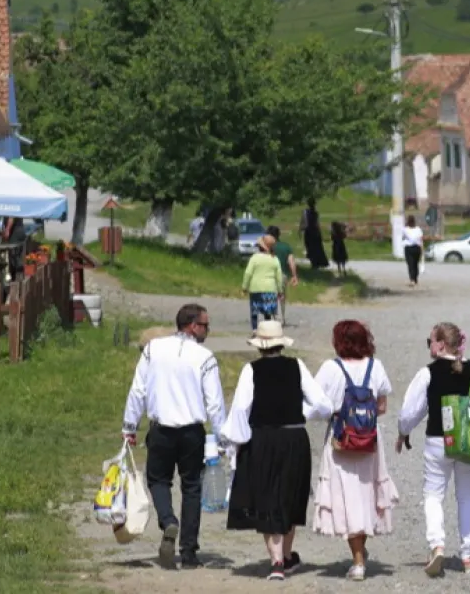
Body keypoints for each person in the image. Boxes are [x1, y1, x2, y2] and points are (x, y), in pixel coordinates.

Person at [222, 321, 333, 581]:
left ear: (259, 346)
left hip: (262, 438)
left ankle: (277, 561)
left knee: (267, 495)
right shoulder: (297, 366)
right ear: (281, 343)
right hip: (294, 437)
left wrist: (235, 443)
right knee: (290, 495)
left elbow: (240, 409)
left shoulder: (251, 370)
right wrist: (299, 414)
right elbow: (322, 404)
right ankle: (285, 554)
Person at [122, 304, 227, 571]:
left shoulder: (153, 350)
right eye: (205, 325)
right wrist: (223, 438)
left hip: (161, 428)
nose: (207, 330)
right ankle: (189, 552)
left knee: (158, 480)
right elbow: (214, 403)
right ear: (192, 325)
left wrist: (130, 425)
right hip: (192, 431)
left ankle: (168, 520)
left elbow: (138, 390)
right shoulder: (205, 357)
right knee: (192, 487)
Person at [396, 322, 470, 576]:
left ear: (441, 345)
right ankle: (467, 556)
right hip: (468, 443)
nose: (428, 346)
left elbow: (411, 411)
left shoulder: (428, 373)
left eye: (430, 342)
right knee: (467, 497)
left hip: (438, 441)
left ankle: (437, 544)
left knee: (433, 494)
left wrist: (403, 432)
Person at [312, 321, 400, 581]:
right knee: (365, 494)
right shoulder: (376, 366)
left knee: (347, 497)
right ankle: (361, 550)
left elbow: (318, 404)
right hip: (370, 440)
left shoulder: (331, 368)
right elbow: (382, 406)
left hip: (342, 439)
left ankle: (358, 560)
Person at [242, 235, 283, 335]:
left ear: (260, 247)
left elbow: (248, 273)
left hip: (256, 288)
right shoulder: (274, 259)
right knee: (268, 312)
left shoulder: (254, 258)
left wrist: (244, 287)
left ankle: (255, 329)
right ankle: (268, 329)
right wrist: (280, 290)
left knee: (254, 311)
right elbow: (279, 277)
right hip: (270, 289)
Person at [265, 226, 299, 324]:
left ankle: (271, 317)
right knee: (281, 296)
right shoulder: (286, 247)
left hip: (269, 275)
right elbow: (291, 261)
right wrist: (294, 276)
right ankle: (281, 318)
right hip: (282, 275)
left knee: (270, 296)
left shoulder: (268, 247)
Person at [302, 199, 329, 269]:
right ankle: (318, 263)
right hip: (315, 232)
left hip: (308, 232)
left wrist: (301, 229)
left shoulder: (305, 212)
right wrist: (320, 233)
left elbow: (304, 222)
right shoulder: (316, 213)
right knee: (317, 248)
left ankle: (313, 263)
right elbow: (317, 224)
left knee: (309, 247)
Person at [402, 216, 424, 287]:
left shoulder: (405, 229)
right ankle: (415, 279)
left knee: (410, 264)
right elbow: (421, 239)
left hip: (409, 248)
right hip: (417, 248)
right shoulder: (418, 229)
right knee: (415, 264)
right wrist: (421, 248)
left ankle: (412, 280)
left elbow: (403, 237)